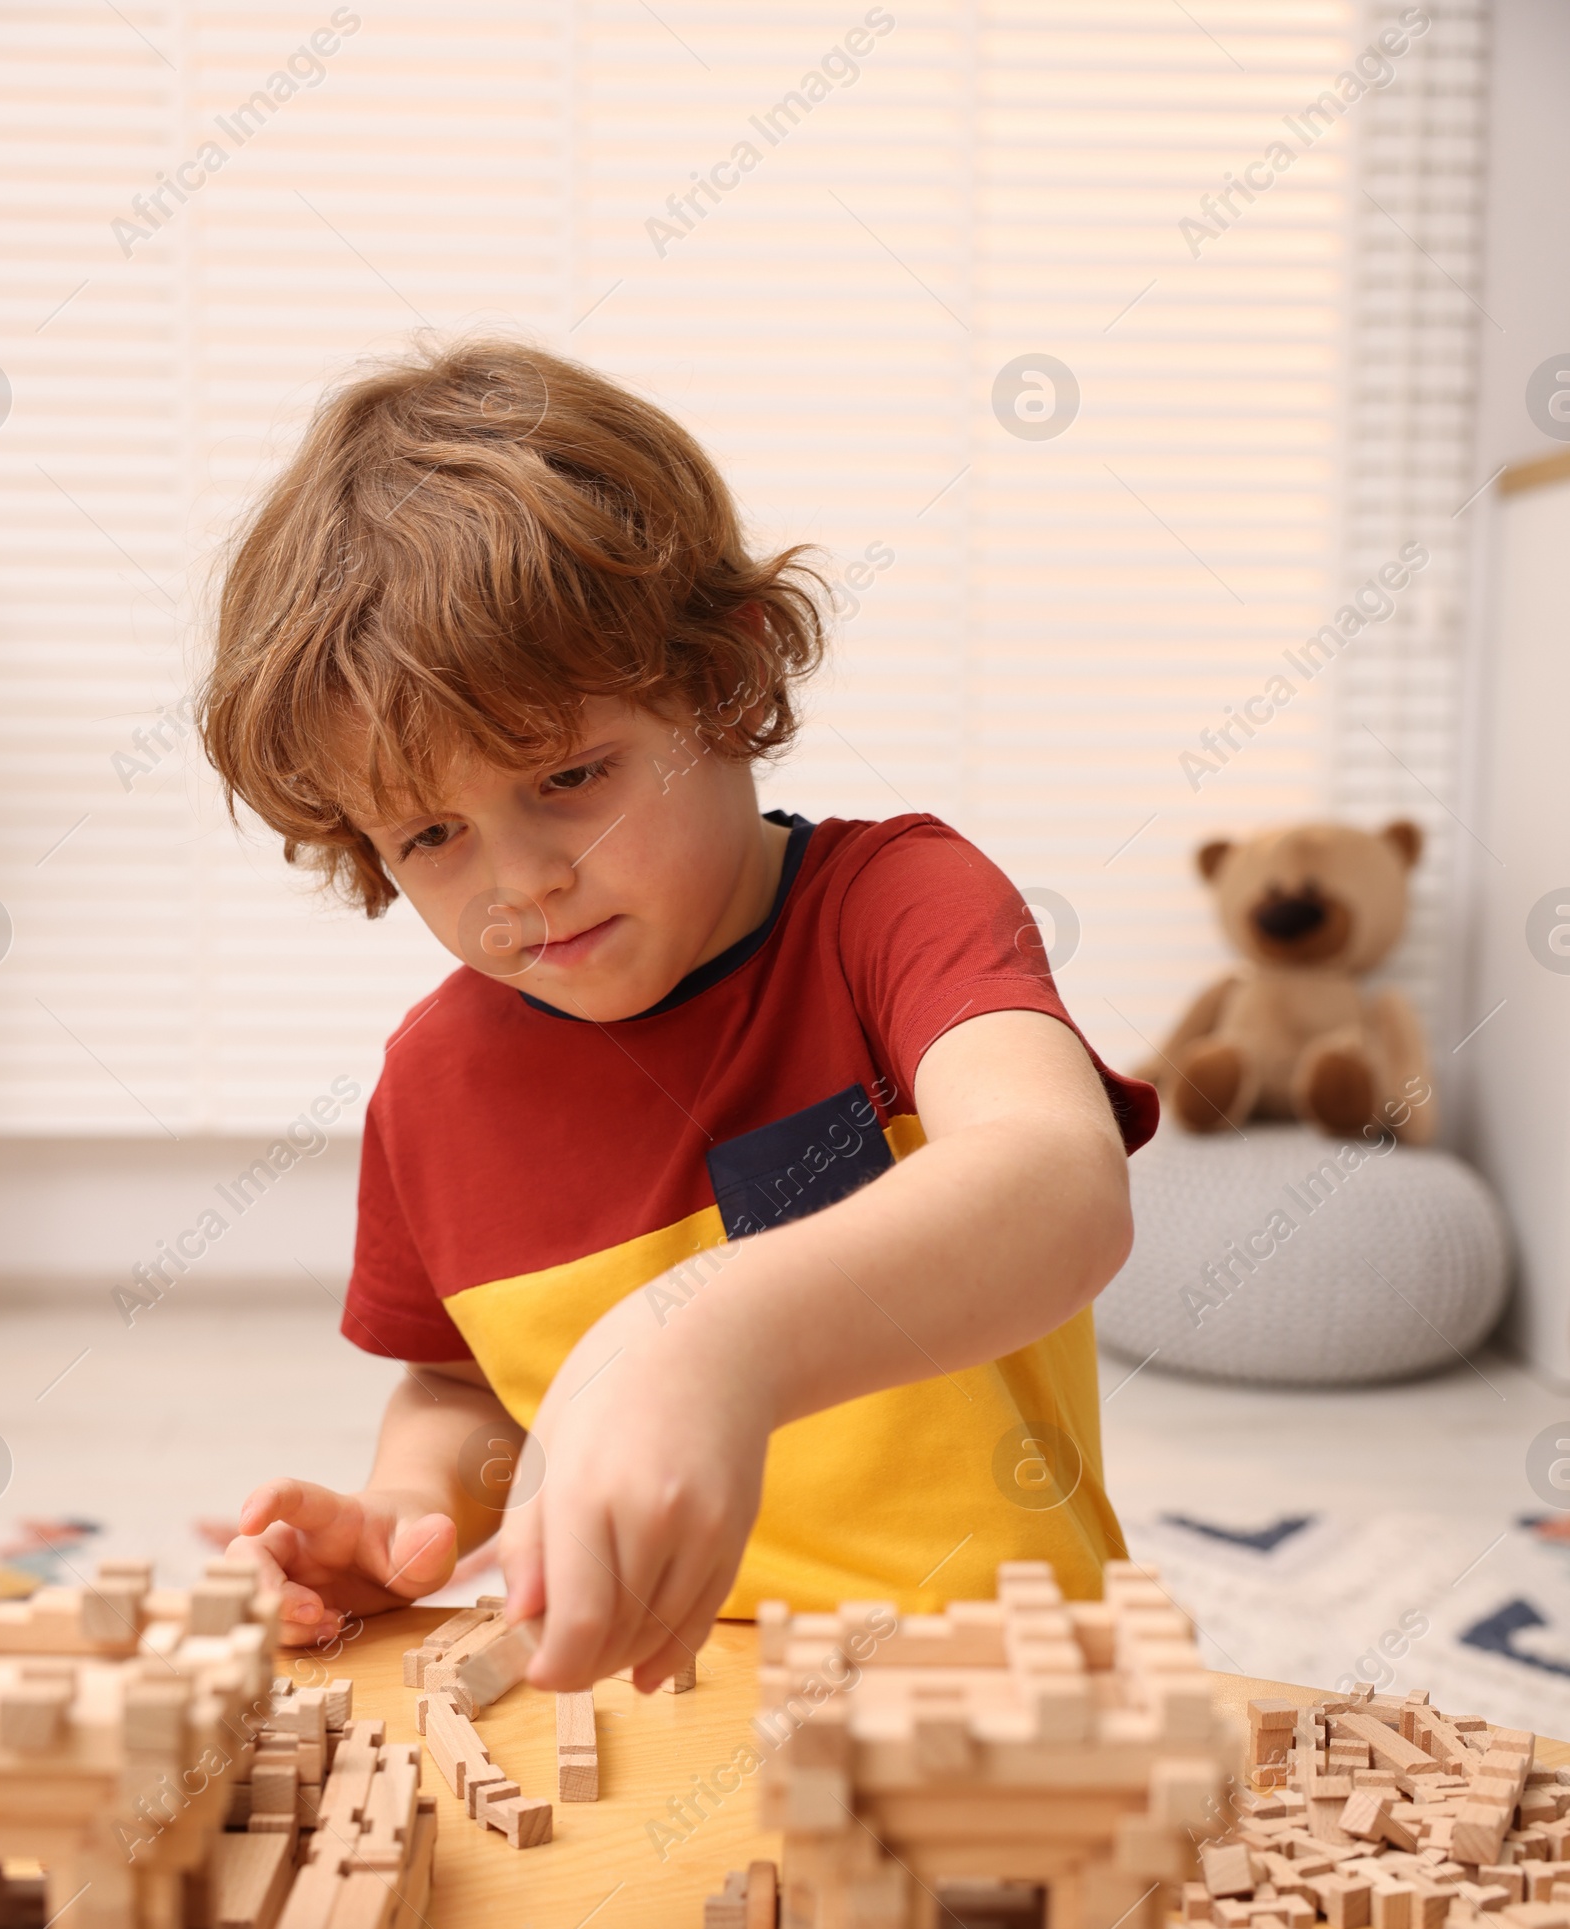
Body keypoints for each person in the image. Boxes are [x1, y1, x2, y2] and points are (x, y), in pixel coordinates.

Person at [200, 339, 1157, 1692]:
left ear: (727, 679)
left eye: (572, 776)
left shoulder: (894, 907)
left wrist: (711, 1336)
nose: (523, 881)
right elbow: (466, 1391)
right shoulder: (433, 1087)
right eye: (429, 835)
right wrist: (408, 1525)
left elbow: (1060, 1184)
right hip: (659, 1719)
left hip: (1000, 1690)